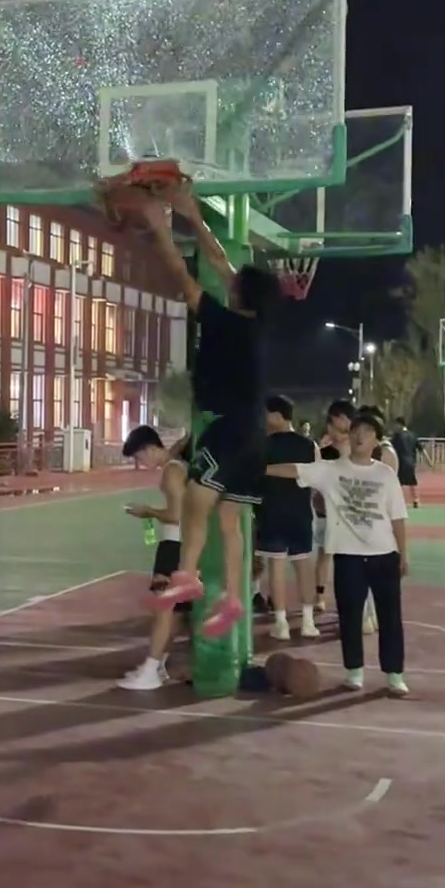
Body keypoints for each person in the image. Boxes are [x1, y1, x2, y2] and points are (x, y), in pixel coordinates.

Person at [134, 186, 282, 637]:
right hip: (254, 435)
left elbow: (182, 273)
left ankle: (187, 575)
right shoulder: (260, 323)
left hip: (230, 429)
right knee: (230, 519)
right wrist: (193, 215)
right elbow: (221, 262)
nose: (228, 279)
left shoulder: (224, 322)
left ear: (239, 295)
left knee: (197, 502)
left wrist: (160, 225)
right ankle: (235, 596)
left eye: (235, 283)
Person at [266, 410, 409, 695]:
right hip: (347, 557)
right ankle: (354, 672)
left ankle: (394, 675)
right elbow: (295, 469)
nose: (360, 435)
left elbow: (397, 518)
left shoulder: (385, 475)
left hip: (384, 555)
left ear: (377, 441)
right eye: (356, 430)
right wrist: (260, 468)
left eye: (367, 432)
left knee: (390, 618)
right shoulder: (331, 469)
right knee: (350, 617)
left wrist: (404, 554)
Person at [117, 424, 190, 690]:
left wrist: (147, 511)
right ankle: (157, 666)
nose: (140, 463)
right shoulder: (177, 465)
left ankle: (150, 671)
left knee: (164, 609)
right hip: (183, 545)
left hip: (174, 545)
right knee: (175, 612)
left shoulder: (172, 472)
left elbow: (177, 515)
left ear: (149, 449)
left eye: (139, 457)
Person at [259, 394, 319, 641]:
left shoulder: (262, 444)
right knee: (304, 565)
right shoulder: (310, 445)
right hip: (300, 513)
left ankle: (281, 623)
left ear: (276, 415)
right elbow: (315, 481)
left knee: (276, 567)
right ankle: (308, 622)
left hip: (271, 512)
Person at [314, 399, 355, 613]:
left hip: (351, 515)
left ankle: (354, 604)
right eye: (335, 426)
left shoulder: (359, 452)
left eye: (345, 428)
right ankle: (319, 595)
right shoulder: (323, 453)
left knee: (350, 560)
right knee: (325, 554)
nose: (340, 433)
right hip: (327, 515)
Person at [390, 416, 428, 509]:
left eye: (395, 425)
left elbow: (390, 448)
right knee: (412, 482)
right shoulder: (413, 435)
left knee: (398, 482)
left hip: (400, 461)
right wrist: (429, 460)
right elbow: (421, 449)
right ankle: (416, 500)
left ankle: (398, 501)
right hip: (411, 462)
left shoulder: (397, 436)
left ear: (399, 424)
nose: (394, 427)